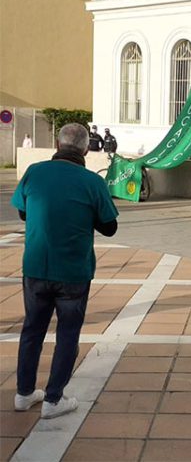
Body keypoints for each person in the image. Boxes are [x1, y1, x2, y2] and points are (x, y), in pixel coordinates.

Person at [10, 123, 119, 419]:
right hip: (73, 270)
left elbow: (22, 210)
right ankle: (53, 399)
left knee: (32, 329)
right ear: (85, 149)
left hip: (35, 267)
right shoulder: (91, 182)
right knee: (67, 334)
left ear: (57, 144)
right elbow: (110, 227)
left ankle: (23, 393)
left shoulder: (34, 171)